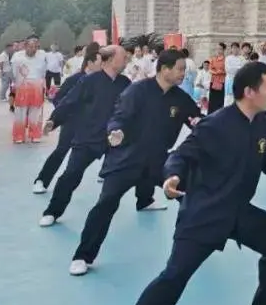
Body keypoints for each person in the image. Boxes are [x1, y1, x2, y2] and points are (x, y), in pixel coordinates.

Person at [103, 62, 266, 305]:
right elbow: (181, 156)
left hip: (237, 210)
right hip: (204, 214)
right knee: (173, 277)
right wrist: (171, 179)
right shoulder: (217, 124)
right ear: (249, 92)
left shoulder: (262, 124)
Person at [68, 50, 202, 276]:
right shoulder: (137, 91)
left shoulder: (180, 99)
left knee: (193, 193)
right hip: (126, 160)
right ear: (164, 69)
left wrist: (201, 123)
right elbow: (119, 118)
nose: (183, 73)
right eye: (179, 68)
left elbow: (197, 120)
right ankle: (82, 256)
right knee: (106, 204)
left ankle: (198, 244)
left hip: (158, 162)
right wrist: (115, 133)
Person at [39, 46, 131, 226]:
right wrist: (53, 120)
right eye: (123, 57)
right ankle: (52, 211)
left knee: (139, 168)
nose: (126, 60)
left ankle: (146, 198)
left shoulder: (125, 83)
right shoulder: (89, 81)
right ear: (111, 59)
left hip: (115, 139)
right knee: (71, 175)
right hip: (88, 138)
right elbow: (69, 102)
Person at [33, 44, 101, 193]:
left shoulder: (101, 81)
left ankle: (106, 172)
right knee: (61, 151)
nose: (102, 66)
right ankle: (41, 180)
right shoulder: (75, 79)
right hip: (72, 122)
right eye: (99, 62)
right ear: (89, 63)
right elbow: (59, 99)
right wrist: (59, 117)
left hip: (93, 125)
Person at [10, 35, 48, 143]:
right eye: (31, 46)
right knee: (20, 113)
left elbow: (44, 72)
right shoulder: (17, 56)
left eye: (36, 46)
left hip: (37, 87)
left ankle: (35, 134)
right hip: (22, 87)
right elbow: (13, 72)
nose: (33, 49)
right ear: (25, 46)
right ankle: (18, 136)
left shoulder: (42, 55)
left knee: (35, 112)